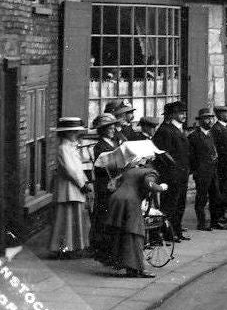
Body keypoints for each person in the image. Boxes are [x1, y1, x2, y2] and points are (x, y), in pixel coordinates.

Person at [100, 156, 167, 279]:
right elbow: (150, 184)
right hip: (129, 202)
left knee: (122, 232)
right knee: (135, 233)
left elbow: (115, 185)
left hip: (116, 200)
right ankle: (137, 268)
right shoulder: (150, 172)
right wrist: (161, 187)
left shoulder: (130, 170)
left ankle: (125, 264)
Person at [48, 117, 91, 259]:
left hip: (73, 187)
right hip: (67, 187)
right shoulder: (63, 148)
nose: (76, 134)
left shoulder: (71, 147)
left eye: (76, 131)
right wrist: (82, 184)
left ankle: (72, 248)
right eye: (73, 132)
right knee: (65, 219)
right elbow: (70, 170)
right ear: (66, 133)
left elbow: (78, 169)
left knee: (74, 219)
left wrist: (84, 181)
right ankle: (63, 249)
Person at [152, 101, 190, 241]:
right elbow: (162, 155)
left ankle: (177, 231)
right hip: (172, 175)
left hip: (181, 174)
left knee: (180, 204)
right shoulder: (165, 130)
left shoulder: (178, 129)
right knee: (170, 205)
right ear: (172, 115)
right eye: (180, 113)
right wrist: (172, 170)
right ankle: (168, 233)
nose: (184, 115)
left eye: (184, 112)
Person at [90, 112, 119, 260]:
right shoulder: (100, 146)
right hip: (105, 185)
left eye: (113, 126)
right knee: (104, 217)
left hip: (115, 182)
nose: (113, 129)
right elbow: (101, 167)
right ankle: (102, 250)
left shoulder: (114, 143)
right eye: (109, 127)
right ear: (102, 130)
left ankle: (112, 249)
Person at [187, 107, 220, 231]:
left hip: (212, 171)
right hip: (202, 172)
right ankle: (202, 223)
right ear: (200, 120)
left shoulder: (211, 134)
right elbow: (191, 156)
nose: (210, 121)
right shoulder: (194, 136)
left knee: (215, 196)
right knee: (201, 198)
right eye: (207, 118)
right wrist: (197, 170)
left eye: (211, 118)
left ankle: (214, 221)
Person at [209, 105, 227, 230]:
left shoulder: (225, 127)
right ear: (220, 114)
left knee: (223, 192)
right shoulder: (216, 129)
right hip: (220, 166)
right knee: (217, 194)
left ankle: (221, 215)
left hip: (226, 166)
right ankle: (217, 218)